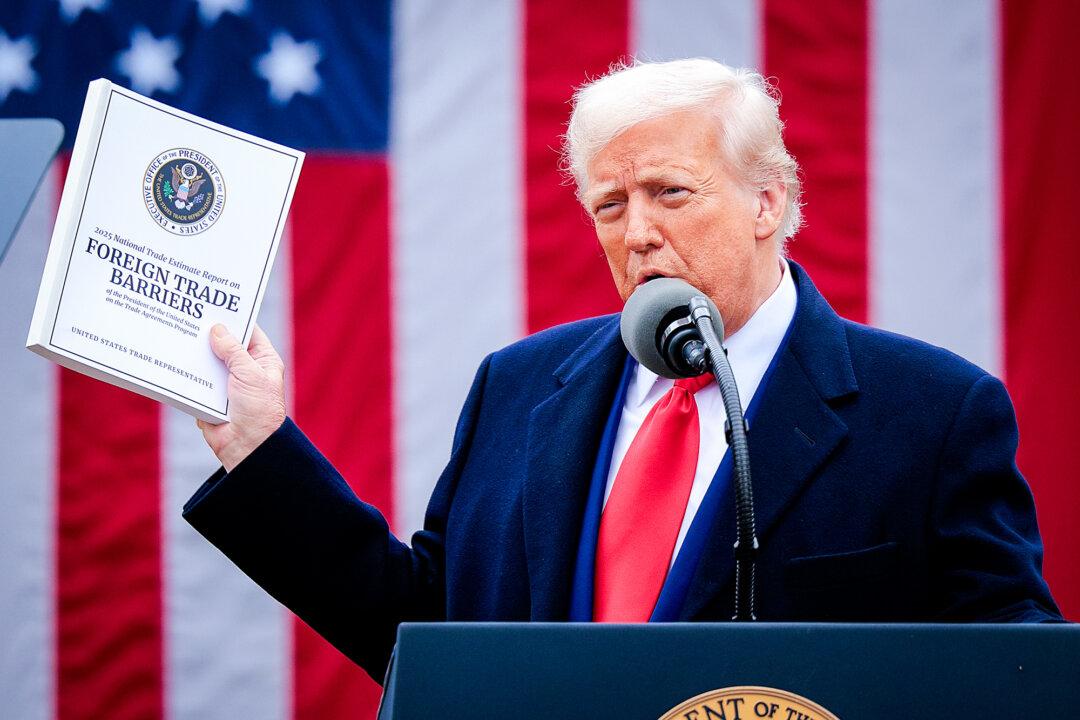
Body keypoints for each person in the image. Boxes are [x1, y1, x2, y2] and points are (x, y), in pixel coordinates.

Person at [186, 59, 1061, 682]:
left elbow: (1013, 671)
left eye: (669, 193)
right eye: (610, 204)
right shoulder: (516, 388)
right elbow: (423, 638)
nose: (637, 232)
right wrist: (260, 451)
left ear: (768, 201)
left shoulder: (933, 413)